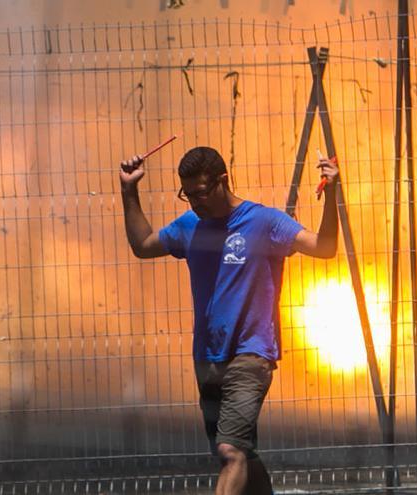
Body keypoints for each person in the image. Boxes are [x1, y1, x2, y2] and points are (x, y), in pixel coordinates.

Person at [119, 146, 339, 495]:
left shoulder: (264, 222)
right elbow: (144, 244)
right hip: (207, 359)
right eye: (187, 194)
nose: (194, 202)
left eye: (201, 193)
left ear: (223, 181)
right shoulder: (190, 226)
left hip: (251, 356)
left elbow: (324, 247)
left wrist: (333, 197)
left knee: (230, 451)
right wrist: (129, 189)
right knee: (241, 455)